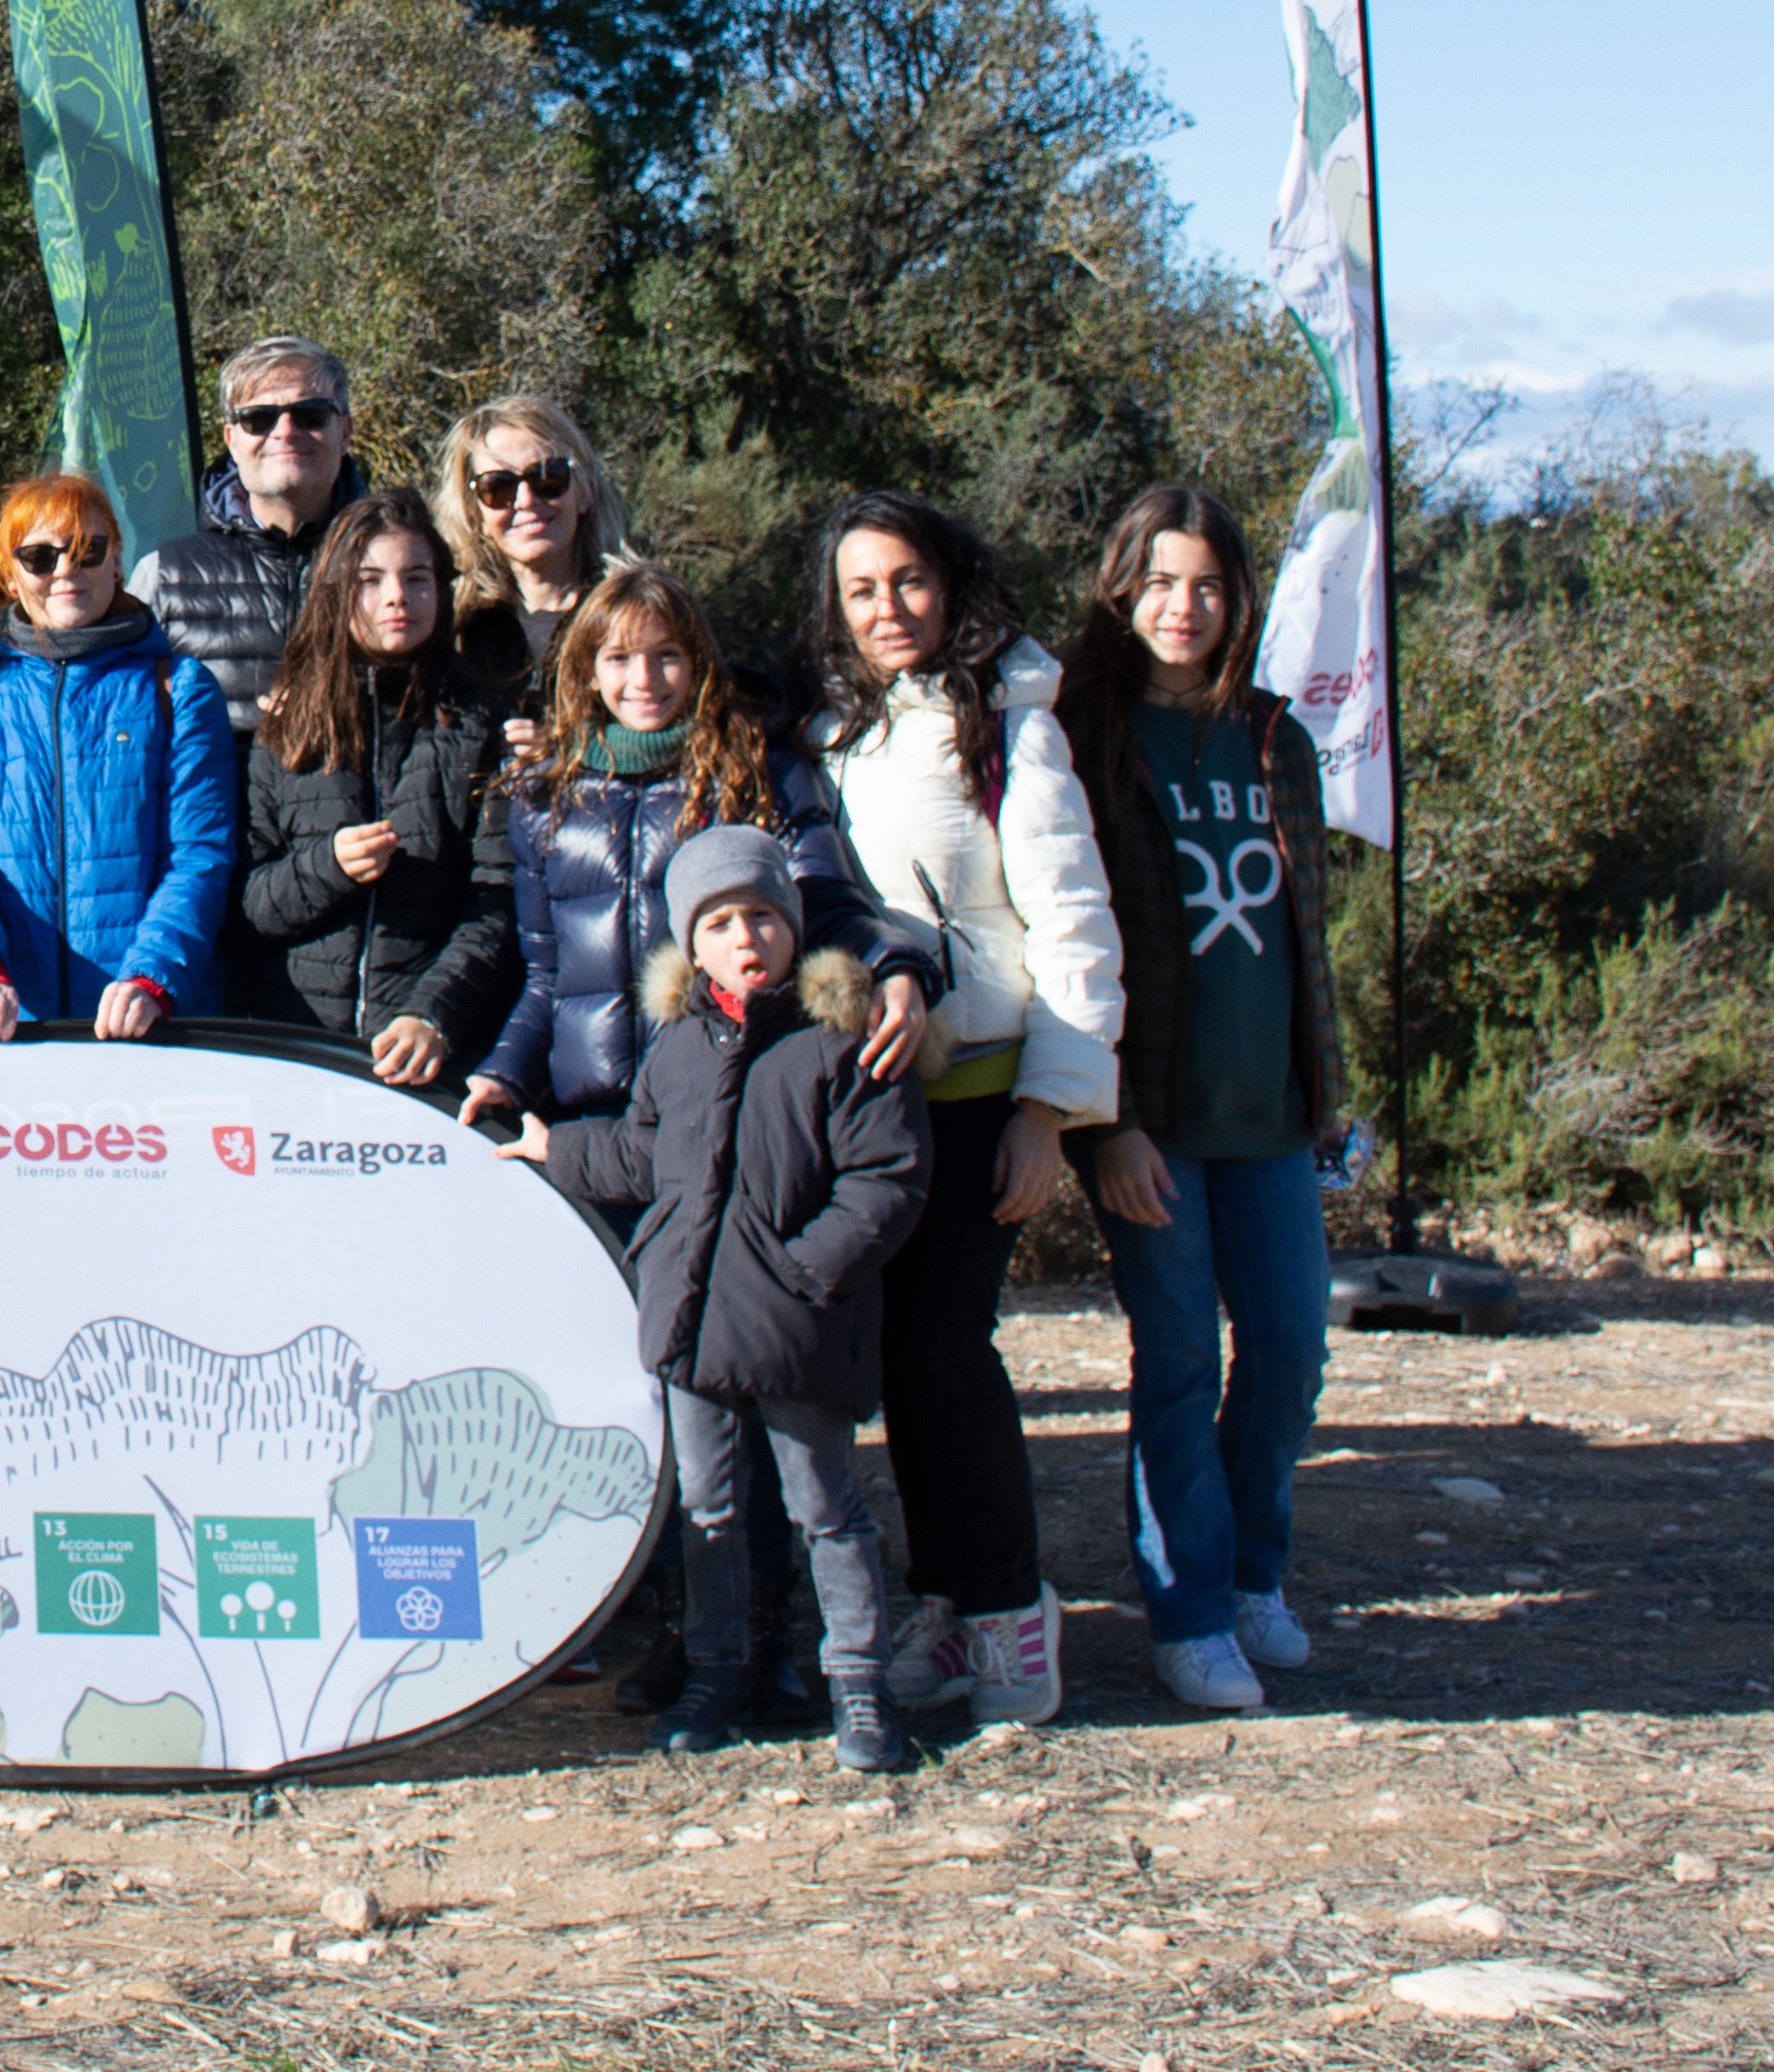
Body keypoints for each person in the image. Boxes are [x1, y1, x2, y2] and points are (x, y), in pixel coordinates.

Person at [509, 828, 934, 1774]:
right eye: (722, 922)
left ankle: (859, 1682)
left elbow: (887, 1184)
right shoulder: (678, 1047)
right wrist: (554, 1149)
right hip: (690, 1324)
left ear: (794, 927)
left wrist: (804, 1273)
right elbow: (636, 1154)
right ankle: (716, 1672)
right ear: (689, 944)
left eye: (765, 917)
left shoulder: (844, 1042)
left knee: (825, 1507)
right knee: (707, 1506)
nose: (748, 938)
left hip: (796, 1329)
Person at [803, 485, 1120, 1733]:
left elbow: (1073, 922)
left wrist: (1053, 1108)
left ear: (954, 584)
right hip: (884, 1091)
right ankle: (946, 1605)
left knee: (946, 1353)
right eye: (863, 589)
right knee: (900, 1363)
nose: (890, 609)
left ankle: (1008, 1618)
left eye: (910, 582)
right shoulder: (839, 731)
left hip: (986, 1089)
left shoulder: (1010, 728)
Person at [1058, 483, 1349, 1716]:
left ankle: (1252, 1579)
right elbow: (1070, 929)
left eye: (1210, 586)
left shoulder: (1277, 739)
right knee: (1178, 1357)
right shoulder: (1088, 735)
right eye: (1161, 582)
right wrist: (1107, 1123)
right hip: (1154, 1118)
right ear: (1124, 591)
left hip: (1271, 1111)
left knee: (1288, 1350)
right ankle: (1186, 1610)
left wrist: (1327, 1089)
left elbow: (1308, 939)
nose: (1185, 607)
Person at [476, 563, 907, 1132]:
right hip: (592, 1117)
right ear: (587, 671)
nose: (645, 679)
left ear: (699, 663)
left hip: (726, 1104)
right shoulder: (546, 796)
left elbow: (824, 901)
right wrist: (503, 1073)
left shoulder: (759, 773)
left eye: (667, 655)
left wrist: (894, 966)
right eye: (620, 658)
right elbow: (547, 976)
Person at [0, 471, 238, 1040]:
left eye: (88, 549)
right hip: (9, 1025)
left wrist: (153, 977)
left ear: (117, 560)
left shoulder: (182, 689)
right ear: (13, 579)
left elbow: (199, 852)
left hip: (152, 1025)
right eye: (40, 556)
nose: (65, 569)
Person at [228, 481, 517, 1088]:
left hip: (426, 1068)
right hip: (294, 1057)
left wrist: (434, 1016)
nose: (397, 598)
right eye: (370, 579)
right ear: (337, 591)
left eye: (417, 578)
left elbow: (497, 899)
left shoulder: (479, 721)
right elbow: (246, 907)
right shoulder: (288, 725)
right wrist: (326, 868)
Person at [134, 335, 359, 736]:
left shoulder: (398, 563)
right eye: (259, 417)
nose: (285, 431)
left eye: (311, 414)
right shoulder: (164, 578)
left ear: (345, 433)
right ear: (231, 440)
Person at [430, 394, 639, 755]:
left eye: (548, 477)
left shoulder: (636, 619)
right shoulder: (449, 631)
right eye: (498, 487)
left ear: (585, 490)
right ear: (473, 512)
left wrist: (572, 751)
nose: (526, 500)